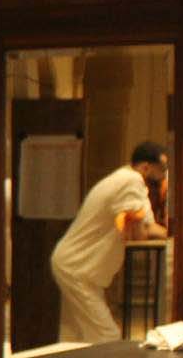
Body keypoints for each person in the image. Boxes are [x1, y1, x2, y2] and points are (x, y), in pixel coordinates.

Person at [49, 140, 169, 343]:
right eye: (162, 169)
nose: (164, 174)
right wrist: (174, 236)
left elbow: (143, 225)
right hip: (78, 266)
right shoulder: (131, 181)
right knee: (106, 336)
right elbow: (143, 230)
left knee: (76, 336)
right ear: (146, 167)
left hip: (75, 264)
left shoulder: (125, 179)